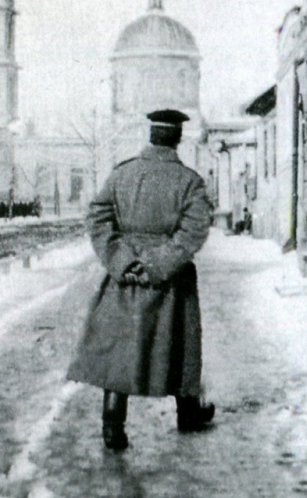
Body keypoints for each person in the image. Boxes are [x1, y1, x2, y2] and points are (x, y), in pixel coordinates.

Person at [66, 109, 215, 451]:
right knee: (180, 346)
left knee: (120, 349)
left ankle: (112, 425)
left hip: (125, 279)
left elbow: (97, 218)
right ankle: (188, 413)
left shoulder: (122, 174)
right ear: (177, 138)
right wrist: (158, 264)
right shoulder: (189, 181)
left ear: (150, 136)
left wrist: (122, 261)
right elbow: (194, 230)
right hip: (170, 281)